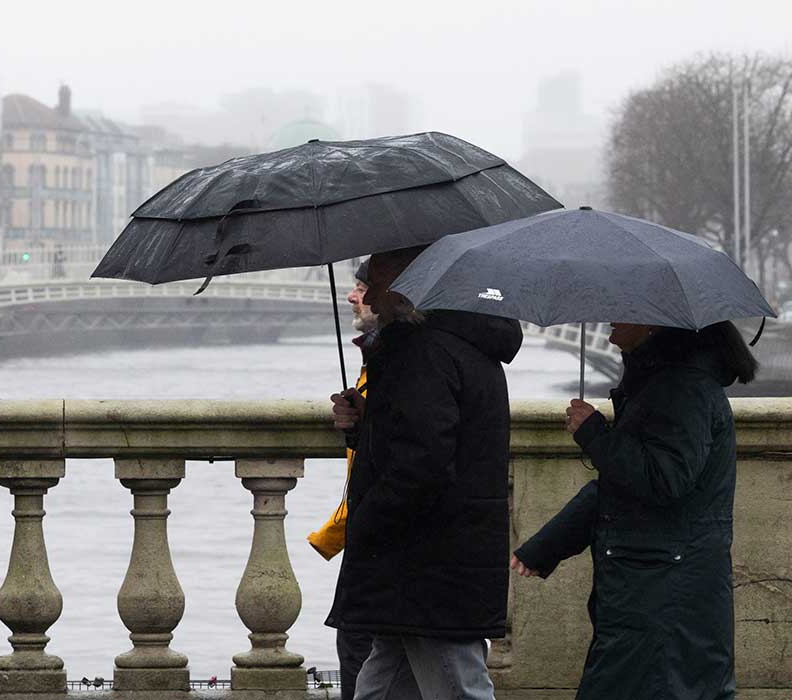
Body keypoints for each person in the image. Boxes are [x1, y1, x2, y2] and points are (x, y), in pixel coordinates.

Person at [511, 321, 756, 699]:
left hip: (659, 595)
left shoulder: (682, 389)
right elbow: (619, 490)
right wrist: (546, 546)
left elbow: (664, 480)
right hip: (655, 590)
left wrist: (594, 434)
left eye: (620, 310)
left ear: (652, 323)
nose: (609, 316)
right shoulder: (662, 383)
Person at [327, 246, 523, 700]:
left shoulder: (422, 351)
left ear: (407, 286)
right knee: (380, 686)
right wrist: (370, 418)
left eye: (375, 281)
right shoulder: (461, 344)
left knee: (459, 688)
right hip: (435, 560)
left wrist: (368, 520)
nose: (367, 294)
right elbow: (434, 434)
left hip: (426, 562)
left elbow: (422, 464)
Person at [307, 258, 377, 700]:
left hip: (381, 545)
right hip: (375, 541)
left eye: (362, 288)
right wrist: (358, 422)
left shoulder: (401, 365)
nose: (351, 296)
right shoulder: (379, 365)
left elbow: (401, 465)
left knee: (361, 652)